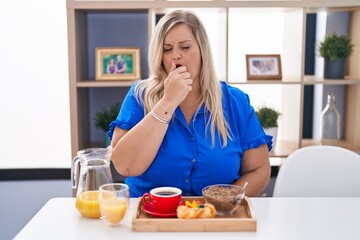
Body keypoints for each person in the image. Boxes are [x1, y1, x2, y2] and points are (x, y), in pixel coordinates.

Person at [108, 10, 272, 198]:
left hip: (215, 217)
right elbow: (123, 166)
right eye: (167, 49)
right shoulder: (139, 96)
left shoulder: (236, 102)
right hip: (149, 215)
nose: (176, 56)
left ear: (202, 50)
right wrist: (168, 102)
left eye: (185, 47)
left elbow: (259, 171)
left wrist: (222, 201)